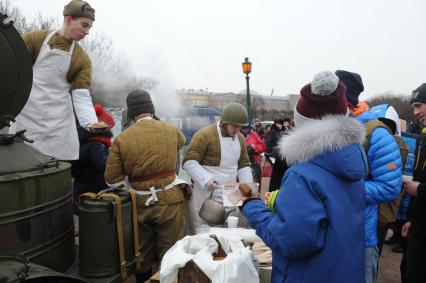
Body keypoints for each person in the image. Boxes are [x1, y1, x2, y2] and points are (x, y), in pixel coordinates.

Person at [240, 71, 367, 283]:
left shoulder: (303, 175)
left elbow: (291, 243)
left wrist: (251, 206)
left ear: (303, 124)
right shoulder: (352, 162)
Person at [104, 89, 189, 283]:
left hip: (140, 204)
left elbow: (111, 179)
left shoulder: (121, 139)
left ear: (131, 113)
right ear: (151, 109)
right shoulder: (170, 129)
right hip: (170, 201)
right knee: (172, 254)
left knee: (140, 254)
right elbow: (181, 142)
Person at [10, 0, 98, 160]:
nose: (87, 32)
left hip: (58, 125)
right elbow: (12, 73)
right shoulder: (34, 40)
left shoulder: (82, 59)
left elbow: (81, 95)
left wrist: (90, 123)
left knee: (54, 170)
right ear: (69, 19)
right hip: (27, 117)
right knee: (21, 164)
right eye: (84, 25)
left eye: (90, 28)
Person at [336, 70, 402, 283]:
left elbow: (390, 187)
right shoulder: (333, 128)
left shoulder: (378, 134)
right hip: (332, 233)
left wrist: (341, 190)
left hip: (361, 236)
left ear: (347, 101)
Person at [183, 102, 253, 228]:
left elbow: (243, 165)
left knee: (229, 229)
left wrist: (248, 187)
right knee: (204, 230)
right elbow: (189, 162)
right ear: (224, 122)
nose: (237, 130)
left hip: (231, 194)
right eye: (234, 126)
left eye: (240, 127)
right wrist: (206, 180)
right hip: (207, 193)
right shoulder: (204, 135)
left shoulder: (240, 138)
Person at [401, 83, 426, 283]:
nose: (415, 112)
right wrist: (412, 219)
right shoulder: (424, 139)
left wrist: (420, 190)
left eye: (419, 105)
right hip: (420, 226)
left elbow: (420, 186)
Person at [71, 104, 115, 213]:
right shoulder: (96, 144)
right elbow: (103, 165)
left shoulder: (80, 141)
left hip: (81, 190)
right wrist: (117, 158)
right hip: (94, 194)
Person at [266, 118, 288, 191]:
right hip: (275, 156)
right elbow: (269, 144)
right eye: (278, 123)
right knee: (276, 176)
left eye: (281, 124)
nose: (279, 125)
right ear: (275, 124)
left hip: (284, 156)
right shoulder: (272, 132)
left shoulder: (285, 132)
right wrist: (271, 154)